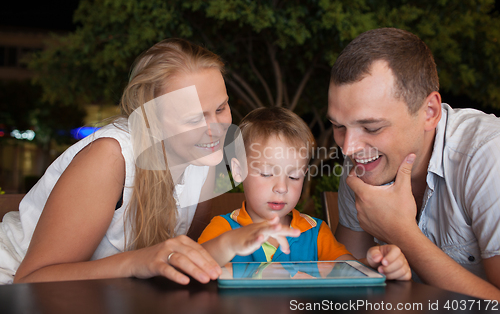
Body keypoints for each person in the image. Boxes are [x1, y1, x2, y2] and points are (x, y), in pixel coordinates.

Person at [0, 38, 273, 285]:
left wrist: (229, 242)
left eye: (221, 108)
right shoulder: (109, 157)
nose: (217, 129)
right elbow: (30, 280)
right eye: (194, 119)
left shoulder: (204, 159)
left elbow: (178, 261)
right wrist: (138, 261)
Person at [328, 27, 500, 299]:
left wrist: (402, 234)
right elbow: (346, 289)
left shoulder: (487, 155)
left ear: (429, 112)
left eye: (371, 128)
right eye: (338, 126)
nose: (349, 148)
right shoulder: (364, 163)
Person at [198, 107, 412, 281]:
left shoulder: (315, 232)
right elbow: (195, 267)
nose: (281, 187)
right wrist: (228, 244)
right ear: (238, 171)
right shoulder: (224, 229)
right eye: (266, 173)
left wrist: (375, 265)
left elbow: (345, 270)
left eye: (293, 177)